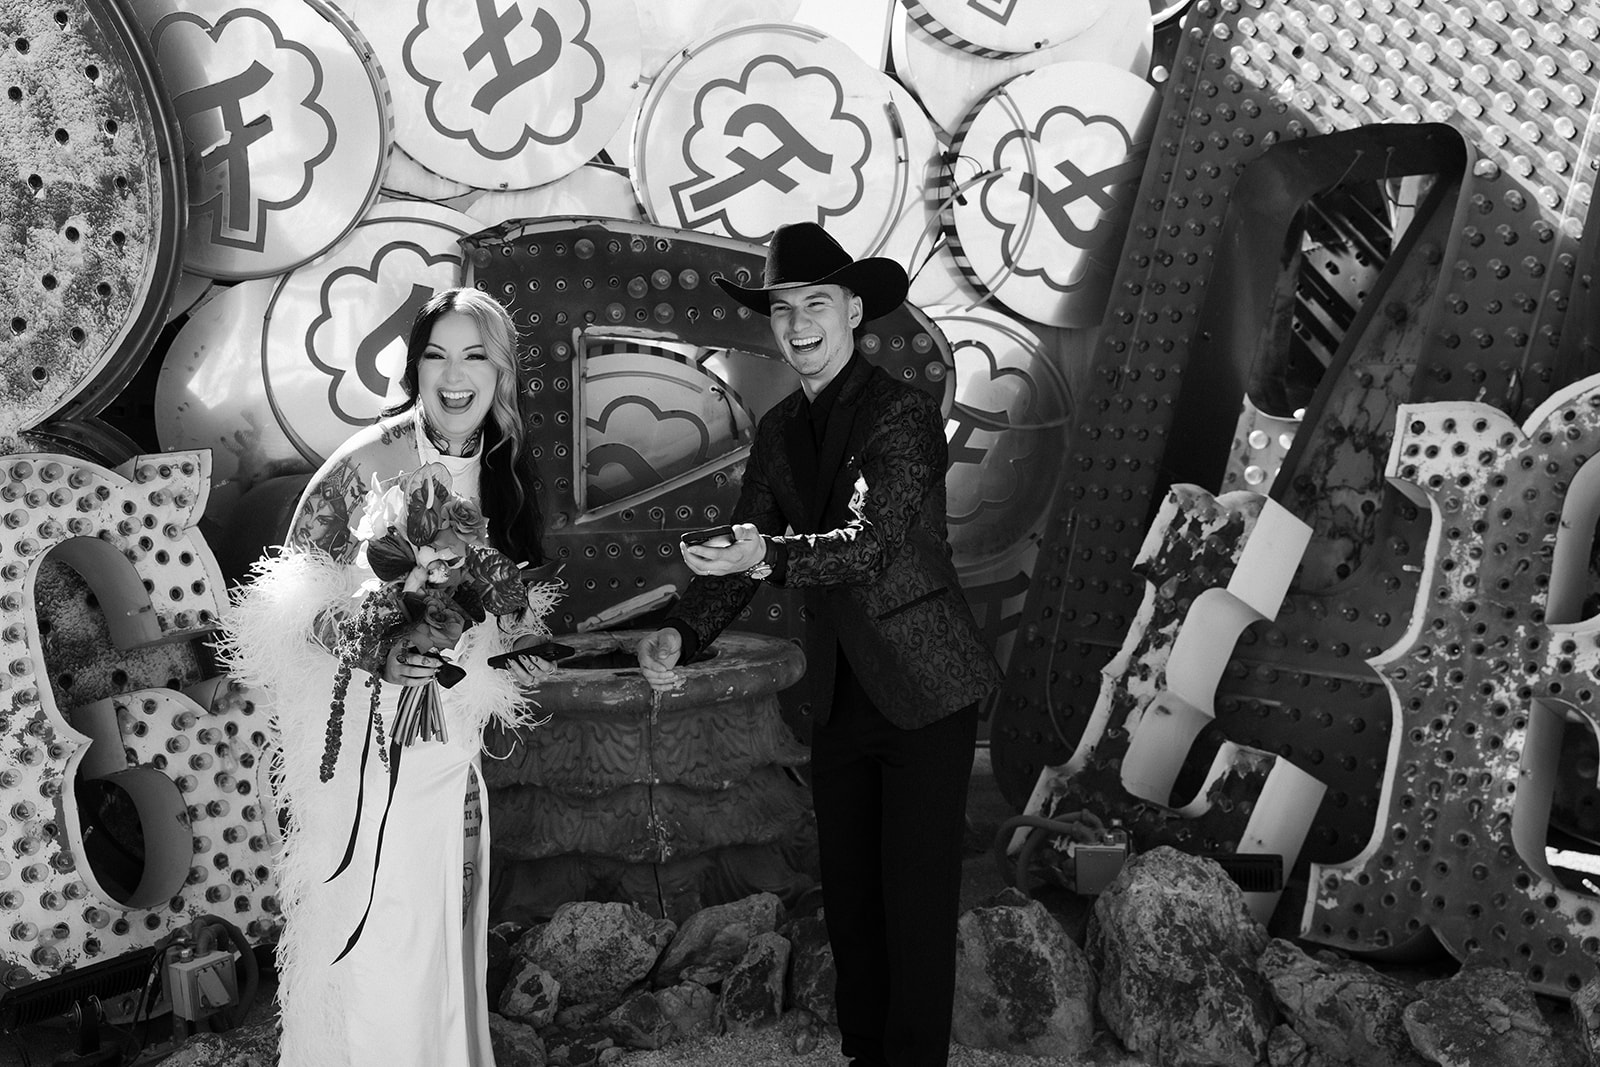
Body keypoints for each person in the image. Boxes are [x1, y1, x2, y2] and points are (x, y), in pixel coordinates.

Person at [635, 222, 1001, 1067]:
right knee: (854, 910)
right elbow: (748, 545)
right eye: (784, 308)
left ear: (854, 309)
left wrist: (766, 554)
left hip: (924, 692)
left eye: (816, 304)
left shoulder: (904, 415)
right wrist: (682, 629)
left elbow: (867, 547)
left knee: (913, 909)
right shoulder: (775, 431)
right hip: (837, 692)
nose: (799, 323)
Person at [217, 287, 561, 1066]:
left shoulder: (506, 468)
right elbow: (287, 600)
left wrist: (524, 636)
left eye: (475, 353)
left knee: (445, 925)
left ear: (502, 370)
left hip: (452, 741)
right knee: (382, 933)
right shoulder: (370, 460)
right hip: (368, 746)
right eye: (436, 353)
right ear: (415, 366)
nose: (454, 373)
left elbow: (511, 591)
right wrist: (376, 647)